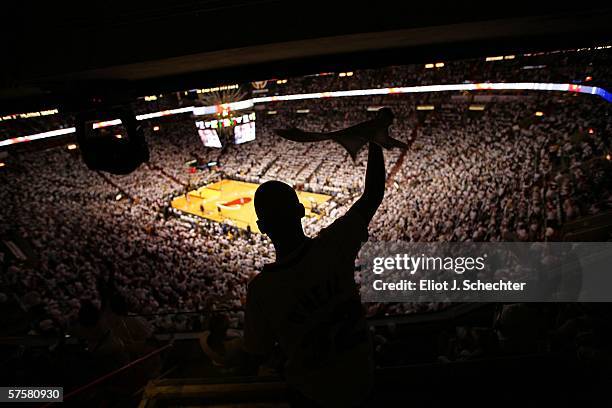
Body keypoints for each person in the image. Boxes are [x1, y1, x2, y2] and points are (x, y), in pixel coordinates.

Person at [244, 133, 388, 407]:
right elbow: (372, 195)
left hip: (312, 394)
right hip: (364, 381)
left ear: (262, 228)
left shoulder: (261, 290)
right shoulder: (334, 245)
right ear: (301, 210)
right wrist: (375, 138)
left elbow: (257, 352)